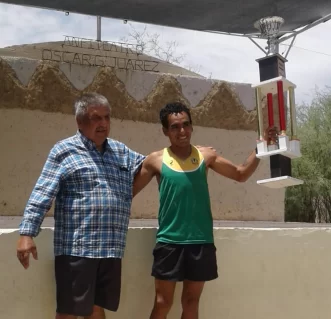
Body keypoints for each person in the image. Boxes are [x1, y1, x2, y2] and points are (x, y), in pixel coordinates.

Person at [132, 102, 277, 319]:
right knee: (162, 303)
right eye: (175, 127)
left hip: (200, 241)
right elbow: (128, 193)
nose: (182, 131)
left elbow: (240, 173)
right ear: (165, 131)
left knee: (191, 302)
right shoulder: (156, 160)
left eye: (186, 125)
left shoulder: (205, 156)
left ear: (191, 126)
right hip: (169, 242)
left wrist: (261, 147)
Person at [16, 92, 145, 319]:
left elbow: (149, 164)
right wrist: (27, 233)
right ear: (80, 121)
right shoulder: (64, 150)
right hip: (78, 248)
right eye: (96, 118)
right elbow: (43, 192)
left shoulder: (120, 151)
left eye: (107, 117)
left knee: (97, 310)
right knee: (69, 312)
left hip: (111, 248)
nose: (103, 123)